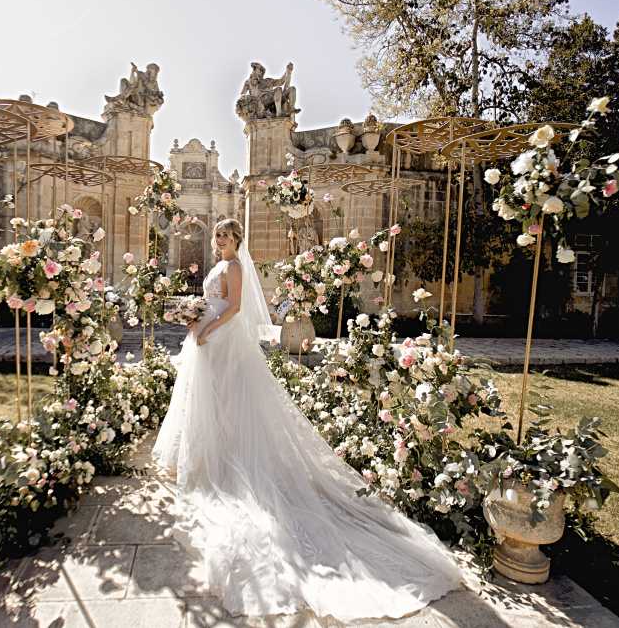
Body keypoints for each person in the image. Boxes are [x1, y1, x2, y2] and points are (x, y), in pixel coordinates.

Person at [152, 219, 462, 620]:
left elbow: (235, 307)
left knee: (227, 401)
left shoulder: (235, 266)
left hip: (222, 339)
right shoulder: (221, 265)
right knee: (213, 401)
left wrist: (207, 324)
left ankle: (226, 457)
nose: (220, 238)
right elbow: (214, 302)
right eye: (218, 234)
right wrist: (197, 320)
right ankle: (210, 451)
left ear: (237, 239)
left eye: (226, 234)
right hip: (209, 338)